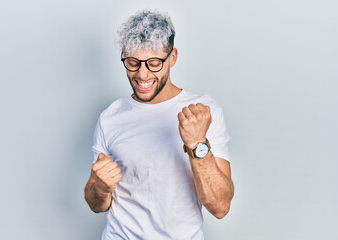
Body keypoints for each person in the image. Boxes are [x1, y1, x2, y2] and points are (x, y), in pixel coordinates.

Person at [84, 9, 234, 240]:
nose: (142, 74)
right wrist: (101, 189)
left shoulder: (203, 112)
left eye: (153, 63)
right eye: (132, 62)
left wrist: (197, 144)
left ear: (172, 58)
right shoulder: (110, 117)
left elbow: (220, 206)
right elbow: (96, 203)